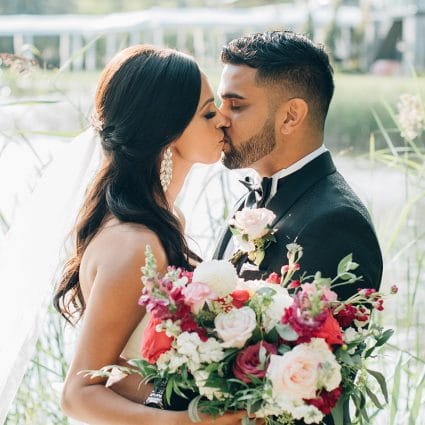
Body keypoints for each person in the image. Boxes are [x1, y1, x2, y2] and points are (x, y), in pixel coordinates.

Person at [53, 45, 244, 425]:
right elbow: (78, 393)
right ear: (167, 133)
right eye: (208, 112)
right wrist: (184, 421)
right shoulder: (134, 242)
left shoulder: (167, 220)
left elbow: (125, 367)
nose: (223, 120)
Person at [213, 31, 383, 424]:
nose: (221, 118)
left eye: (235, 106)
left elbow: (314, 390)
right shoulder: (252, 199)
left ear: (291, 116)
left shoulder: (337, 223)